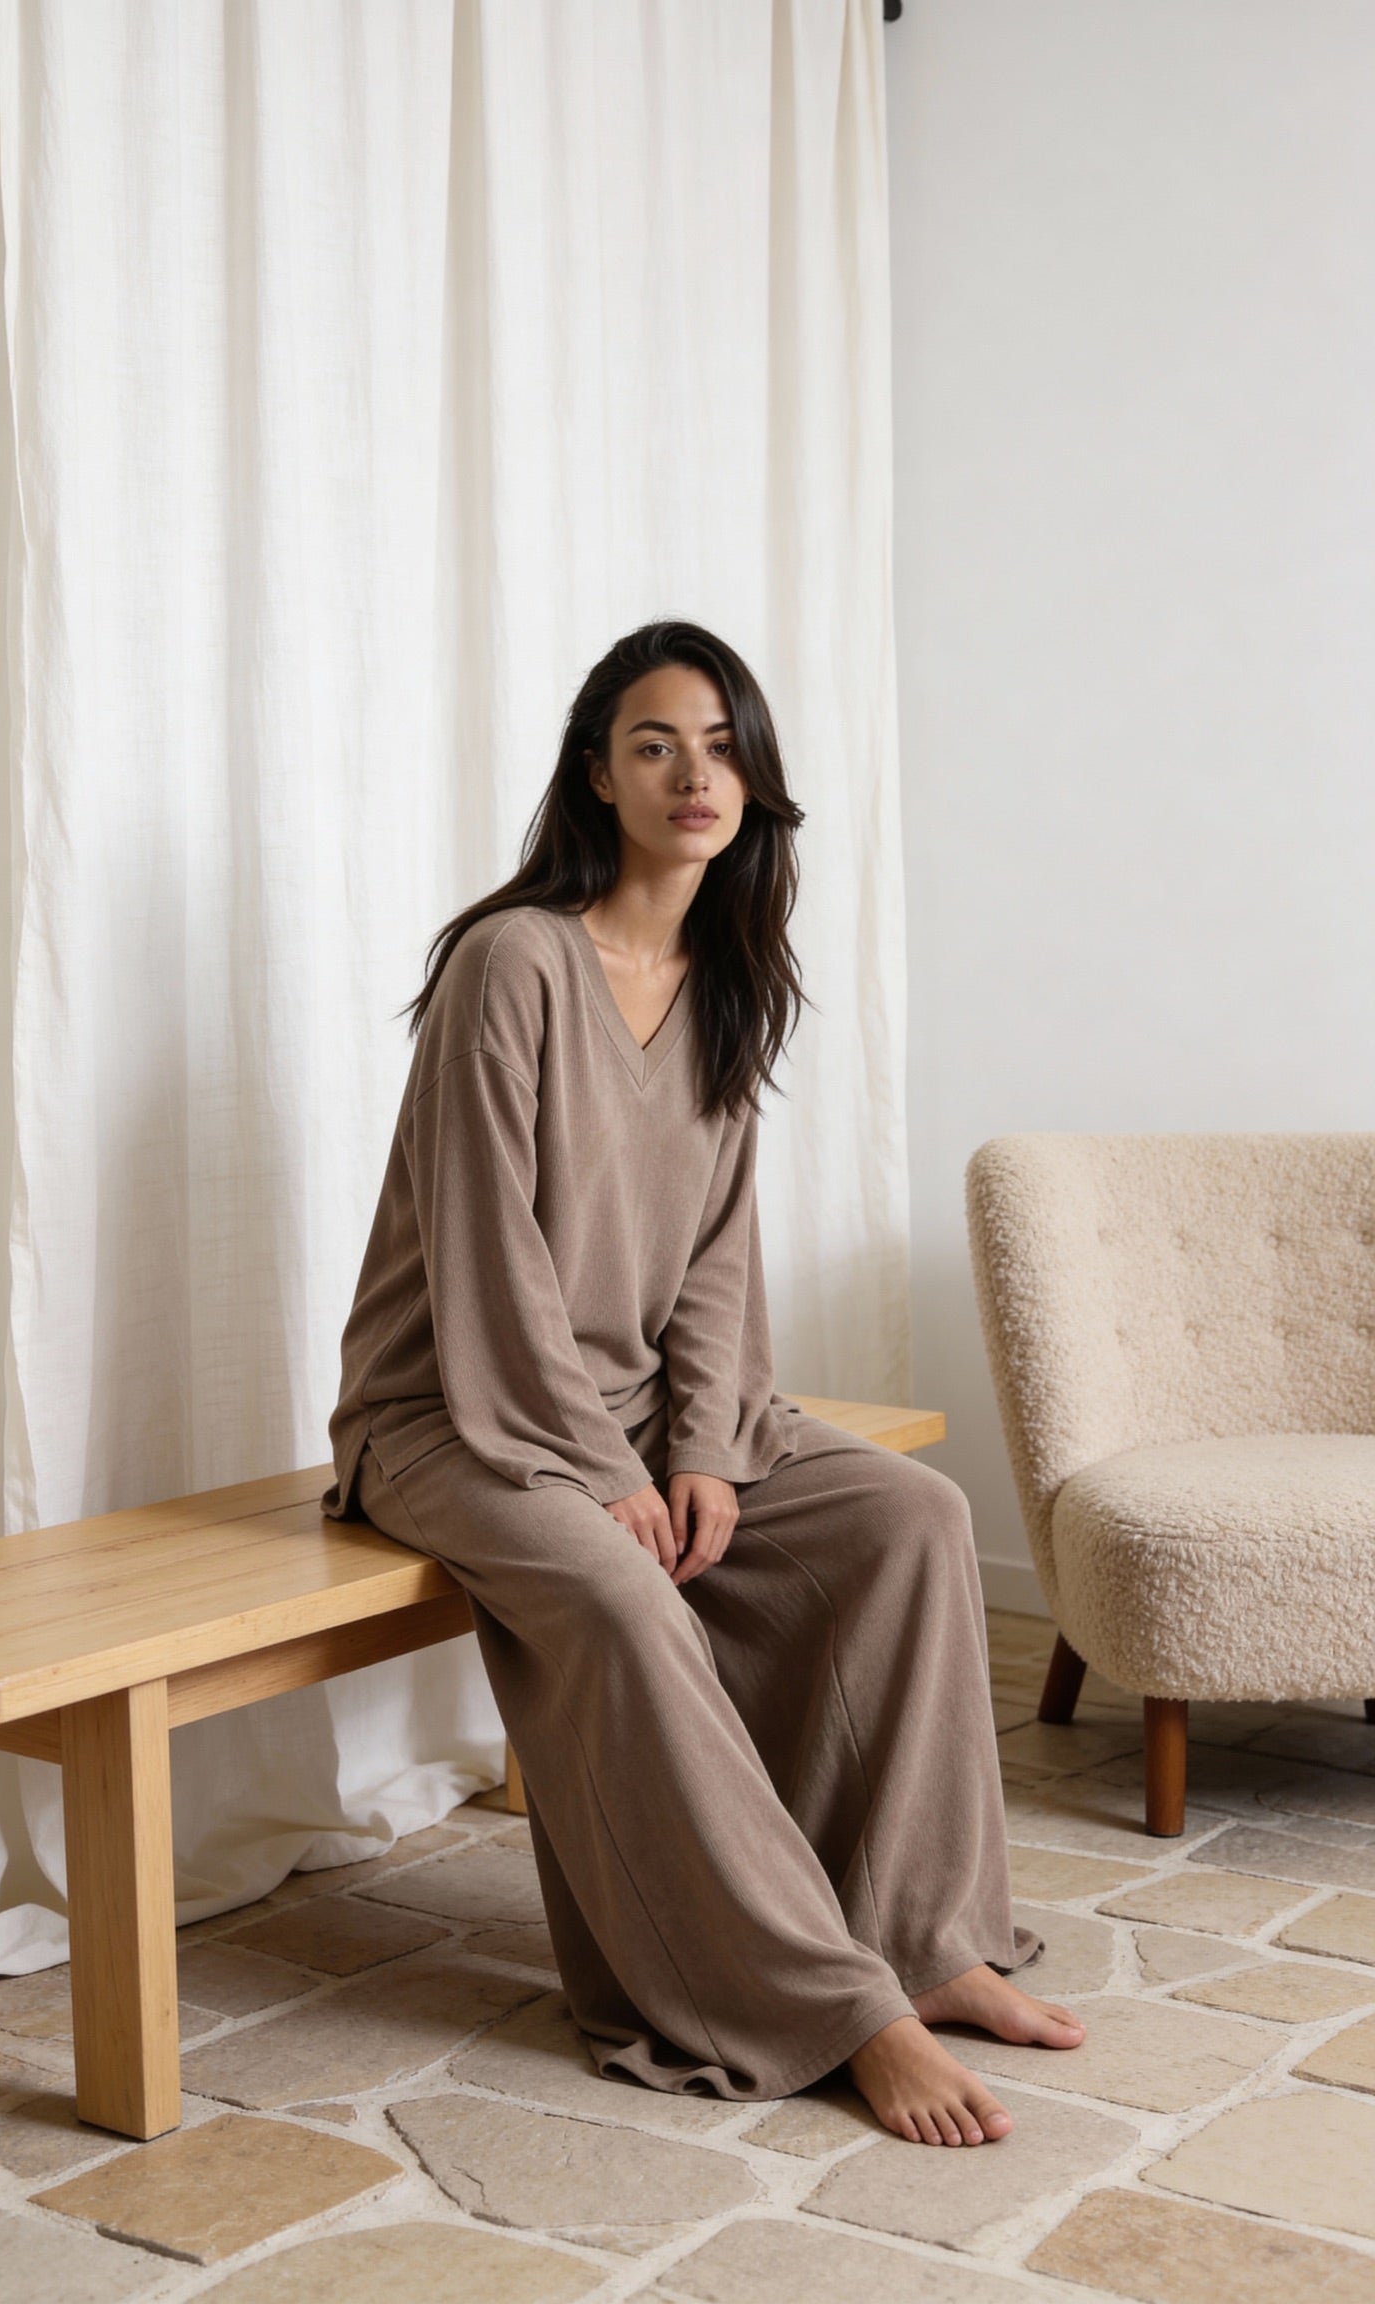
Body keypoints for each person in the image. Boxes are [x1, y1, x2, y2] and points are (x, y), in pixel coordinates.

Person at [322, 619, 1084, 2145]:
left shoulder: (731, 982)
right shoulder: (513, 963)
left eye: (724, 745)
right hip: (451, 1417)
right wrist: (601, 1474)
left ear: (756, 782)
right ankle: (833, 2005)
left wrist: (706, 1452)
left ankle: (923, 1941)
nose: (694, 773)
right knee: (619, 1595)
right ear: (597, 774)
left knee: (912, 1519)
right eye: (657, 742)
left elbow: (719, 1265)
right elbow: (487, 1260)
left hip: (620, 1417)